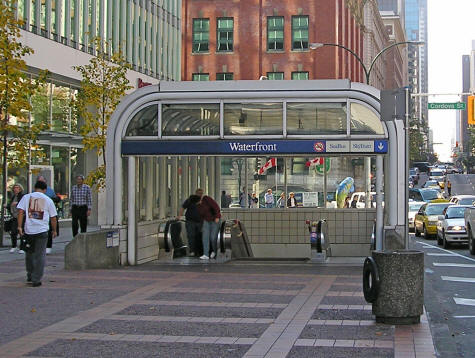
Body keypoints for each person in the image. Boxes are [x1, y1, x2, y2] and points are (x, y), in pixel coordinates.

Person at [17, 180, 58, 287]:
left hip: (29, 230)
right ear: (45, 190)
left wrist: (19, 226)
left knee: (29, 253)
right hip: (42, 230)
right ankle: (36, 279)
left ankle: (30, 274)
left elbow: (20, 212)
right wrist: (54, 230)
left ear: (35, 188)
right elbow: (53, 218)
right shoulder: (48, 200)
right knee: (40, 255)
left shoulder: (26, 197)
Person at [37, 176, 60, 254]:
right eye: (39, 181)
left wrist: (54, 230)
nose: (40, 183)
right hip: (39, 212)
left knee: (48, 229)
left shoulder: (49, 191)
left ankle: (48, 246)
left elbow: (55, 199)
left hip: (48, 212)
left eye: (42, 181)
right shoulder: (34, 192)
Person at [196, 188, 221, 260]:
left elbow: (216, 207)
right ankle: (206, 254)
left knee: (213, 237)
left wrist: (217, 217)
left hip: (214, 220)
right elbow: (200, 215)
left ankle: (214, 251)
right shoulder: (197, 205)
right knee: (205, 237)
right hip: (206, 221)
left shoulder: (207, 199)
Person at [178, 192, 203, 257]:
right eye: (199, 193)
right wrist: (179, 216)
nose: (200, 194)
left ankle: (198, 251)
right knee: (191, 236)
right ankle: (192, 251)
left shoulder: (202, 200)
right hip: (190, 221)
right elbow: (183, 207)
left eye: (201, 193)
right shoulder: (190, 200)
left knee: (199, 236)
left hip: (200, 221)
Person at [7, 184, 25, 253]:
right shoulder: (13, 196)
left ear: (20, 189)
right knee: (13, 232)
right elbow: (10, 205)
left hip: (21, 216)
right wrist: (8, 206)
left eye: (17, 188)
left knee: (21, 232)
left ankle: (22, 248)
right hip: (14, 216)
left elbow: (23, 204)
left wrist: (16, 203)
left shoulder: (22, 196)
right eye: (14, 188)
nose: (15, 189)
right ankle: (14, 246)